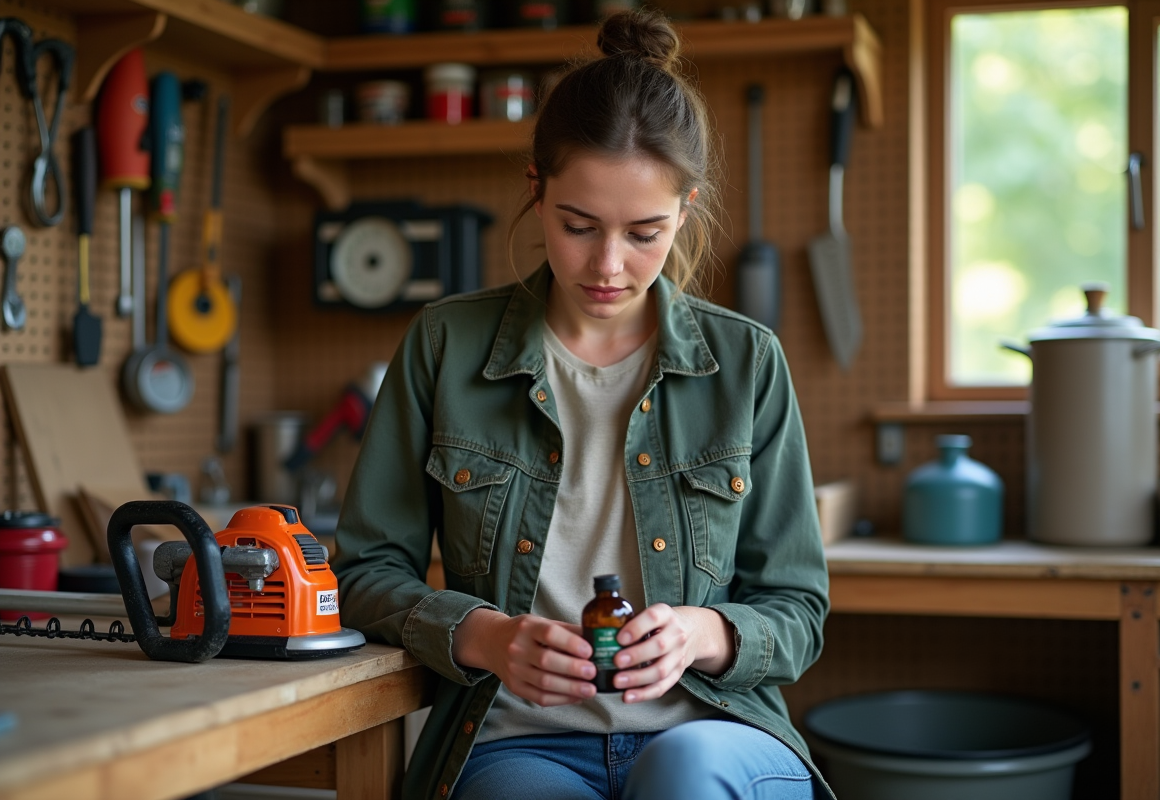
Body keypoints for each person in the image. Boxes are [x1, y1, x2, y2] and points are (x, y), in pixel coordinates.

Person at [332, 8, 832, 800]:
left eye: (644, 232)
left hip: (710, 731)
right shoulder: (444, 345)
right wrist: (486, 636)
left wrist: (702, 633)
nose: (608, 264)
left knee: (683, 776)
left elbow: (799, 609)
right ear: (536, 190)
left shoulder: (747, 362)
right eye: (577, 226)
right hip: (513, 740)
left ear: (686, 211)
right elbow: (362, 571)